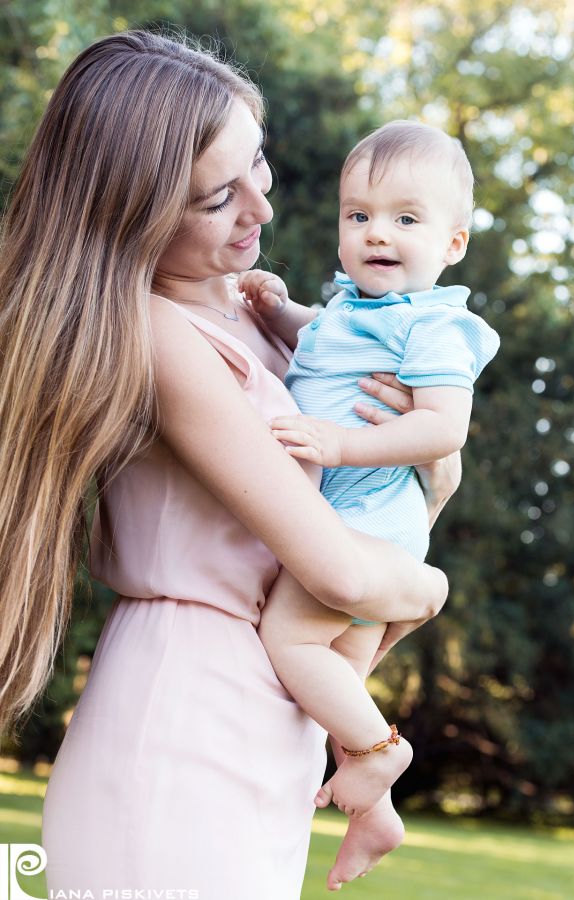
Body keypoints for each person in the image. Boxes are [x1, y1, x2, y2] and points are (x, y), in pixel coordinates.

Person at [0, 33, 458, 899]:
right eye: (219, 198)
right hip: (185, 716)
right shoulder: (158, 332)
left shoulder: (267, 318)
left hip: (271, 714)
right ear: (130, 213)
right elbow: (336, 569)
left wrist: (423, 482)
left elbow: (366, 532)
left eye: (260, 165)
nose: (263, 209)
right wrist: (429, 589)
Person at [239, 120, 500, 831]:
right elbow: (319, 344)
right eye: (359, 215)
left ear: (453, 245)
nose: (376, 233)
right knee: (334, 686)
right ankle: (374, 813)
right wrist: (277, 308)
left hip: (364, 525)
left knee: (290, 642)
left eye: (404, 219)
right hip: (360, 531)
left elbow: (445, 427)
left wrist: (340, 445)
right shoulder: (350, 312)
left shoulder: (435, 326)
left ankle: (380, 751)